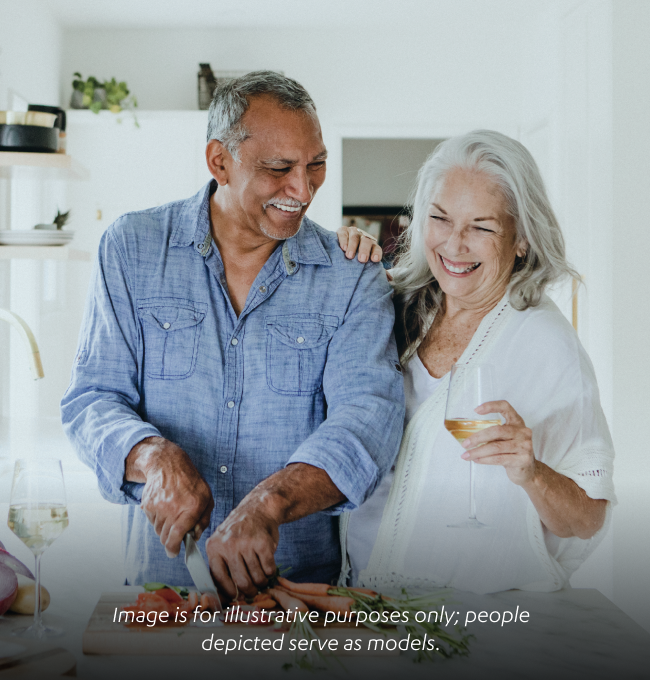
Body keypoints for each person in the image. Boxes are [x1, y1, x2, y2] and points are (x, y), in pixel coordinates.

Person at [61, 71, 405, 597]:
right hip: (163, 592)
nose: (303, 189)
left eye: (316, 166)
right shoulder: (131, 248)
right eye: (278, 169)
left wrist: (268, 503)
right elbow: (92, 399)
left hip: (296, 595)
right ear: (219, 161)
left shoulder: (352, 274)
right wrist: (152, 456)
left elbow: (367, 422)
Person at [337, 130, 616, 594]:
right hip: (363, 603)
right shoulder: (393, 306)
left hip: (478, 625)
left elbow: (587, 518)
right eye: (440, 219)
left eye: (481, 227)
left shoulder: (545, 344)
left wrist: (532, 472)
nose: (454, 244)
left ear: (521, 239)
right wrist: (341, 256)